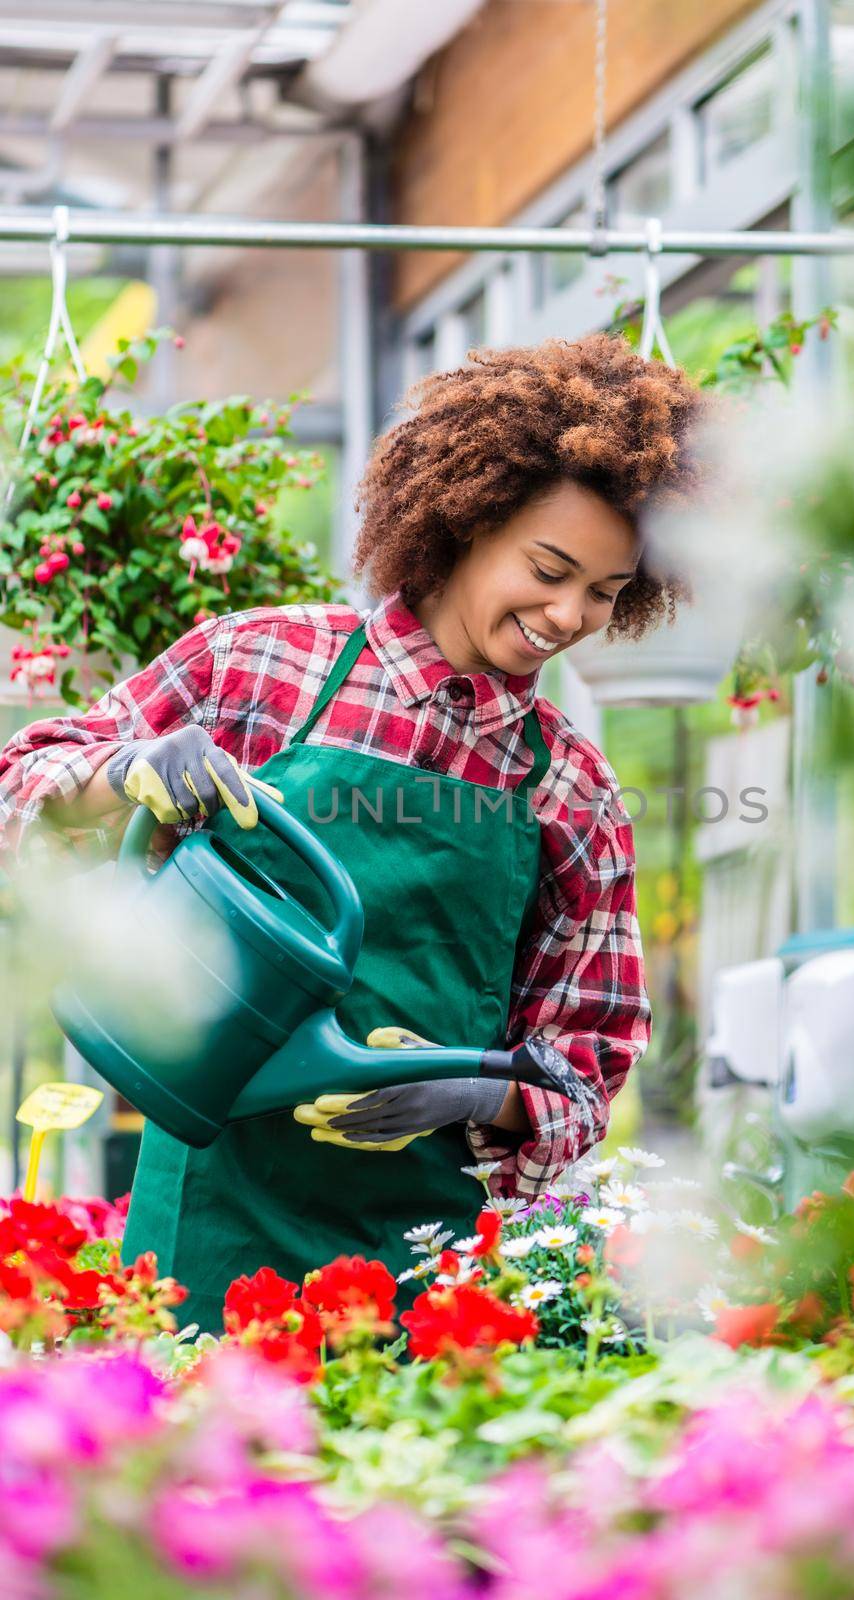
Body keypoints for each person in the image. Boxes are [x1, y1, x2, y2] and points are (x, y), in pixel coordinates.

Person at [0, 332, 704, 1331]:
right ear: (471, 517)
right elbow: (19, 786)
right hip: (204, 1232)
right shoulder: (261, 666)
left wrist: (469, 1091)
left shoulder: (572, 791)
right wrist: (126, 770)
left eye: (606, 591)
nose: (569, 614)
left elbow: (584, 1064)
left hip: (429, 1280)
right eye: (549, 568)